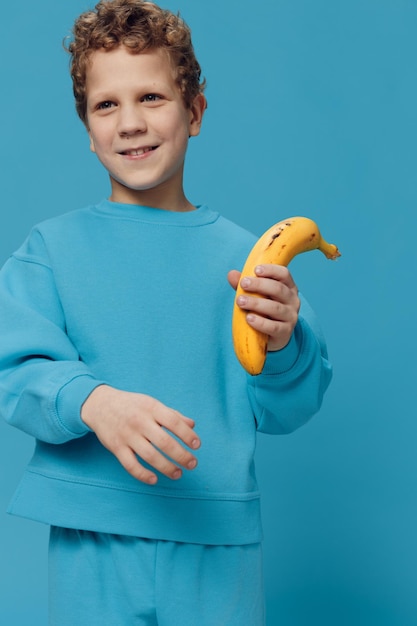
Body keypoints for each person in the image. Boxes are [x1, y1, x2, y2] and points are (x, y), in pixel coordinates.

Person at [0, 1, 333, 624]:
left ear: (195, 112)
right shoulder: (50, 250)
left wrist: (286, 343)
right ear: (87, 126)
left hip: (218, 541)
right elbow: (12, 367)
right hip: (91, 536)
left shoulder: (249, 260)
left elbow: (292, 404)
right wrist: (95, 403)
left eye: (152, 97)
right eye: (107, 105)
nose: (130, 123)